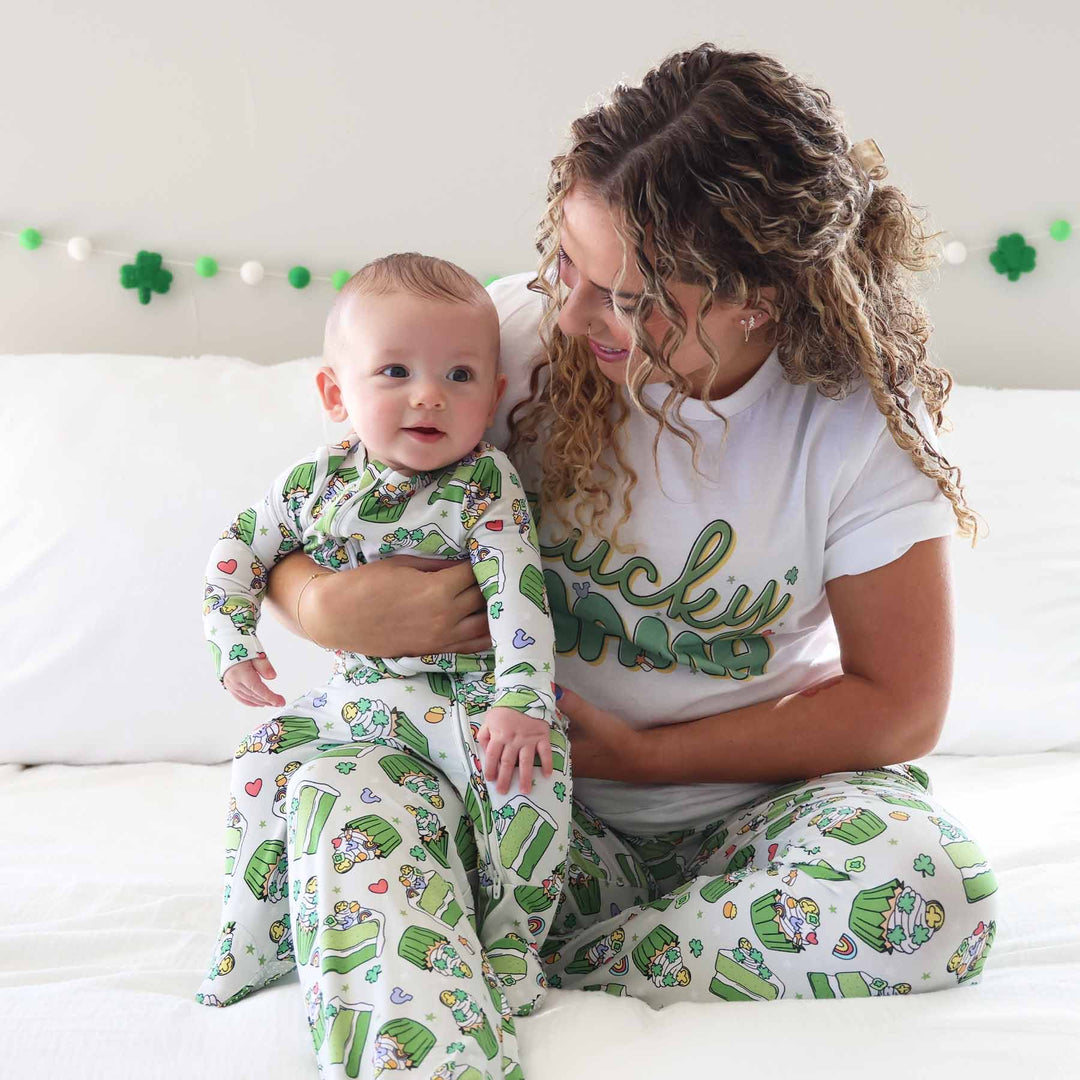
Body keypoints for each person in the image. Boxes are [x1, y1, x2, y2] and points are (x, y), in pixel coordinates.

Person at [261, 43, 1001, 1080]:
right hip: (507, 805)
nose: (567, 312)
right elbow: (300, 524)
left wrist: (645, 759)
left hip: (744, 818)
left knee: (930, 888)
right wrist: (324, 611)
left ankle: (522, 955)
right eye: (568, 262)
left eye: (627, 295)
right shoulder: (504, 339)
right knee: (345, 795)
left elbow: (902, 703)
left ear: (758, 300)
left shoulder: (852, 422)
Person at [194, 253, 573, 1054]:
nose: (428, 394)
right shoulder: (312, 485)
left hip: (467, 701)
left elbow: (517, 594)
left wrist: (521, 702)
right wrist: (233, 640)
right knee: (264, 755)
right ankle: (253, 934)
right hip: (357, 704)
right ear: (337, 393)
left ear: (493, 398)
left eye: (460, 375)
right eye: (395, 371)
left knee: (527, 781)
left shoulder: (483, 484)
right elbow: (238, 550)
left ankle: (513, 943)